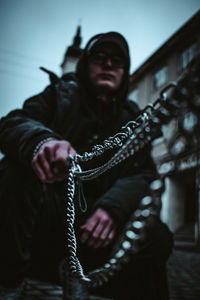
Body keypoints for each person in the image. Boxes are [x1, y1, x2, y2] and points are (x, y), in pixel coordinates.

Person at [0, 32, 173, 299]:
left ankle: (88, 277)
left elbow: (144, 172)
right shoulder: (59, 96)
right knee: (13, 170)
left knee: (155, 234)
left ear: (125, 72)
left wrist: (114, 207)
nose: (108, 65)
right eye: (100, 57)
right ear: (85, 64)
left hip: (95, 230)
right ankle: (9, 280)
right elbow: (14, 122)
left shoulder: (133, 119)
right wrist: (41, 142)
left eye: (117, 60)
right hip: (49, 215)